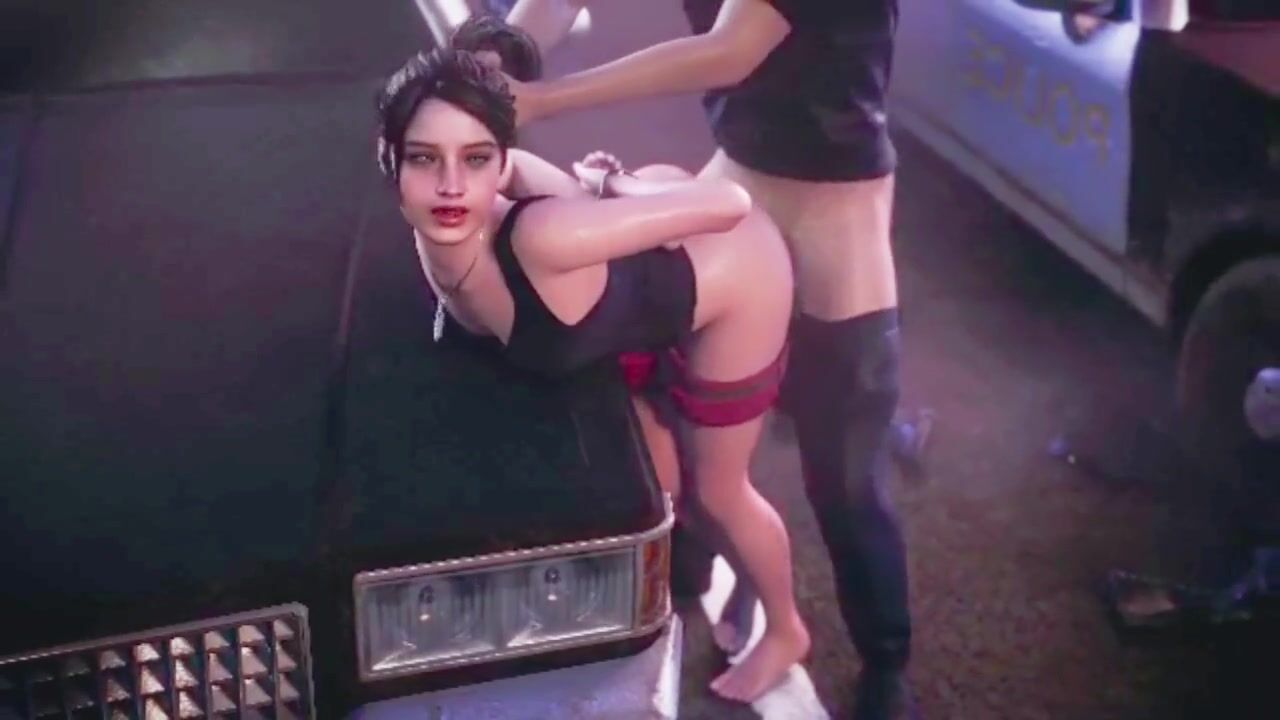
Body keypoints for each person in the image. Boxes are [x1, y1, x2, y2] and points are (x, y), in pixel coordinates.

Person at [501, 1, 918, 717]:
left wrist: (541, 98)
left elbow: (733, 48)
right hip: (738, 180)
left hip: (835, 218)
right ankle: (700, 560)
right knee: (688, 422)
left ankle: (885, 659)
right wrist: (494, 56)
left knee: (844, 477)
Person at [374, 41, 811, 702]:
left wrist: (614, 188)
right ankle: (731, 577)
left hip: (735, 275)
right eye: (424, 159)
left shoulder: (544, 235)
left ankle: (786, 627)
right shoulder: (450, 222)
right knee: (658, 484)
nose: (451, 187)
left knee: (718, 492)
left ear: (497, 162)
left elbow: (729, 205)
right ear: (389, 159)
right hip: (631, 306)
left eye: (476, 159)